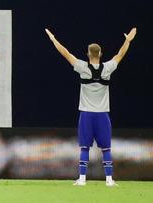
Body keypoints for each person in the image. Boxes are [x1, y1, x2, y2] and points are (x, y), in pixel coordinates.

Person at [45, 25, 136, 186]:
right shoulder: (107, 68)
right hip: (102, 114)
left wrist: (53, 39)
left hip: (86, 114)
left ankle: (82, 179)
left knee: (85, 148)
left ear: (88, 54)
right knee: (106, 149)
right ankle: (109, 180)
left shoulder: (82, 67)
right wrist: (127, 40)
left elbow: (65, 53)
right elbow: (120, 54)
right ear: (100, 54)